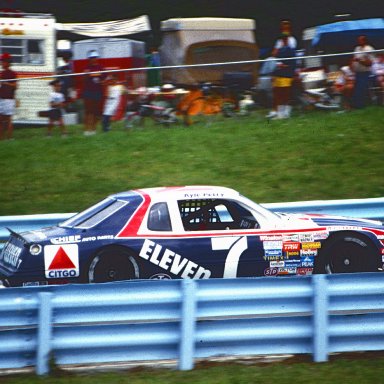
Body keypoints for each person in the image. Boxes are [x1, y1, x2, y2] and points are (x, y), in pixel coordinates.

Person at [269, 34, 296, 119]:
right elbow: (276, 61)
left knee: (285, 94)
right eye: (282, 39)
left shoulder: (291, 50)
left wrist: (285, 66)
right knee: (278, 94)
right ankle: (280, 114)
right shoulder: (280, 50)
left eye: (285, 39)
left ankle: (286, 113)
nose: (283, 41)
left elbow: (292, 64)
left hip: (286, 75)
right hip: (279, 75)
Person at [82, 50, 106, 136]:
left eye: (95, 58)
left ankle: (93, 129)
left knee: (96, 112)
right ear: (89, 59)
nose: (93, 59)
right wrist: (86, 75)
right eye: (92, 58)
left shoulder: (101, 67)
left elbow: (104, 79)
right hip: (88, 92)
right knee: (88, 112)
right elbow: (84, 79)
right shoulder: (87, 68)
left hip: (98, 92)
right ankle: (86, 129)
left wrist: (102, 82)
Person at [351, 35, 375, 109]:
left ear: (365, 41)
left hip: (365, 73)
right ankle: (355, 104)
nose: (358, 42)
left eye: (360, 40)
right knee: (355, 88)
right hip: (357, 72)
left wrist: (360, 61)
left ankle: (360, 106)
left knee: (360, 89)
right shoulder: (357, 48)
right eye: (358, 40)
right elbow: (353, 58)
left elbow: (369, 63)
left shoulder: (369, 49)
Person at [0, 52, 17, 140]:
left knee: (9, 119)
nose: (1, 63)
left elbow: (15, 86)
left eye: (3, 61)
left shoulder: (12, 73)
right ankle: (1, 138)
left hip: (9, 99)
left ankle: (9, 138)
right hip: (1, 99)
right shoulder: (1, 73)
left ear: (7, 62)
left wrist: (6, 83)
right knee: (1, 120)